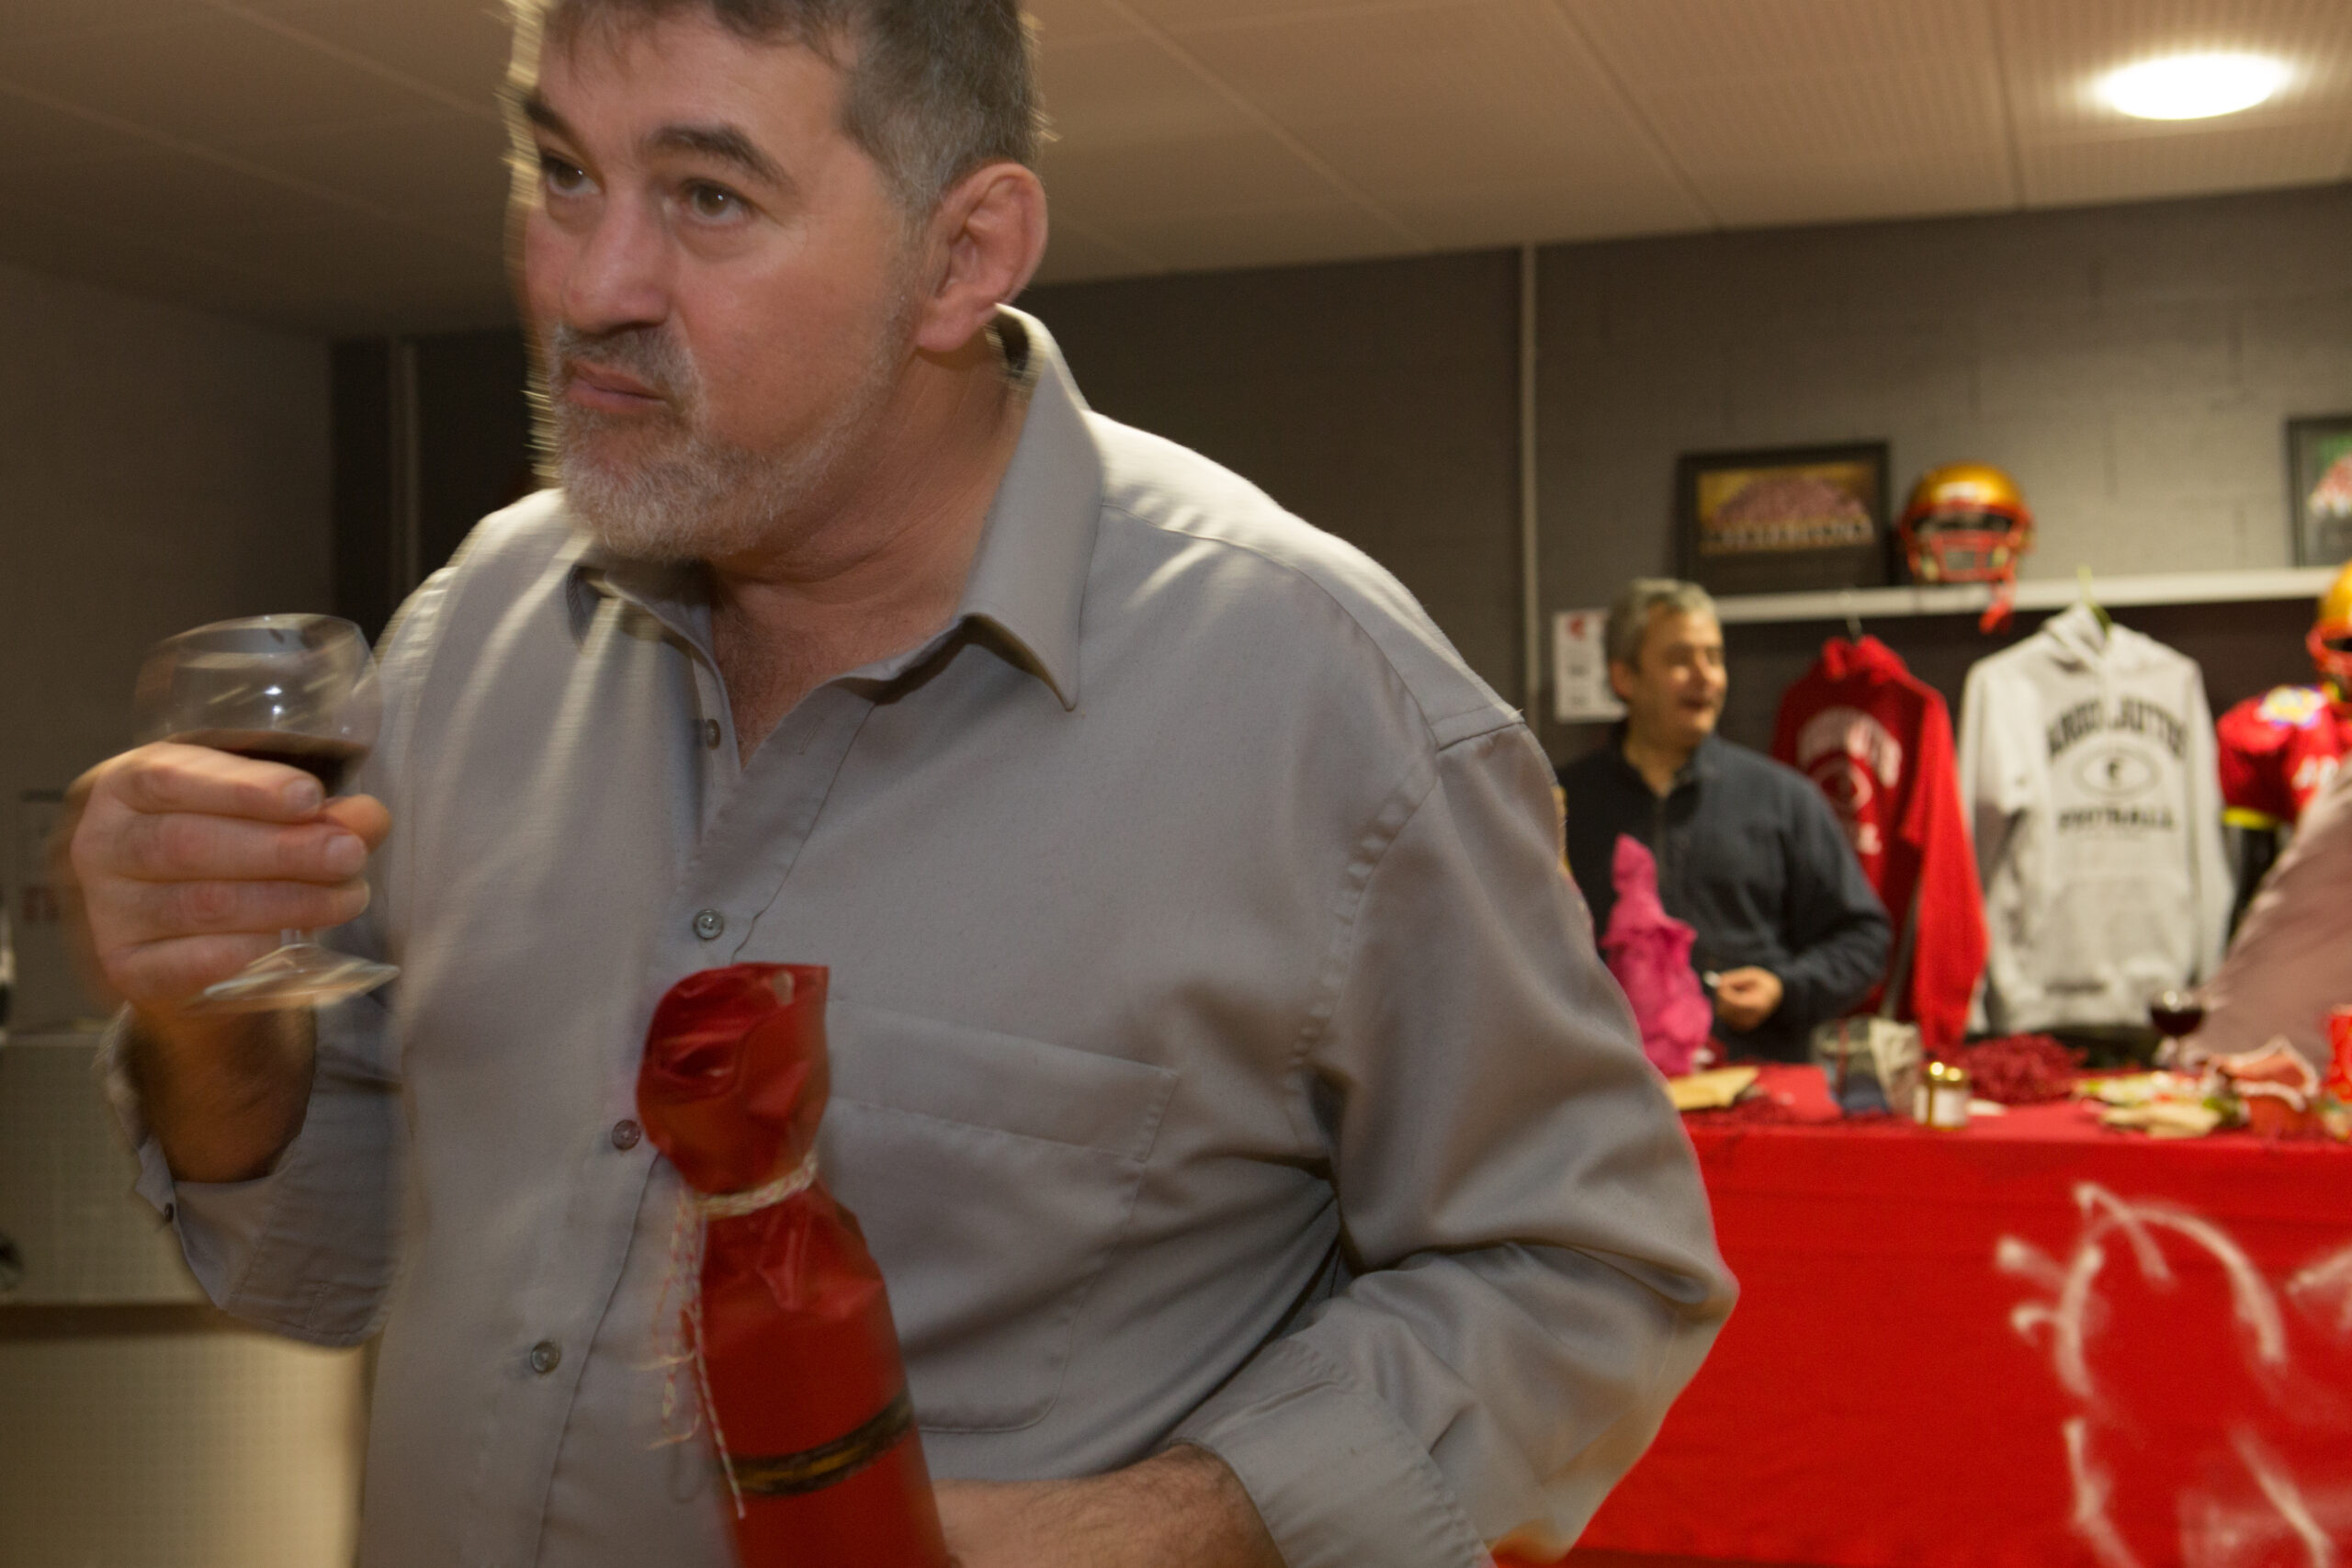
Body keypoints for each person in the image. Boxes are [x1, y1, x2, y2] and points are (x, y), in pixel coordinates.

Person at [61, 4, 1733, 1565]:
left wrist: (1177, 1521)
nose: (589, 283)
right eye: (561, 170)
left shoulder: (1323, 704)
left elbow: (1590, 1267)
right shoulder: (469, 634)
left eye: (708, 195)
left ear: (964, 254)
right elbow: (317, 1257)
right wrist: (207, 1011)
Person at [1559, 579, 1890, 1062]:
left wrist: (1783, 987)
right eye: (1681, 659)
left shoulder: (1784, 799)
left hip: (1753, 1081)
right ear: (1624, 677)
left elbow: (1864, 940)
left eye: (1714, 658)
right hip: (1606, 1084)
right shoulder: (1560, 804)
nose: (1705, 676)